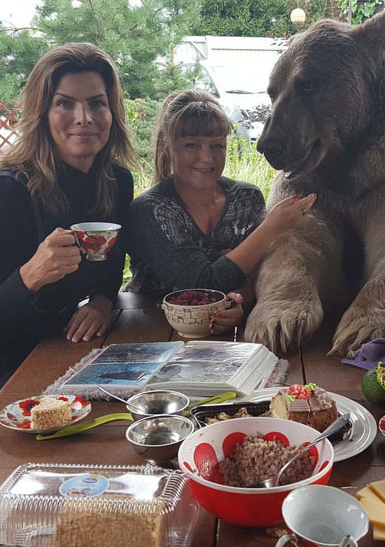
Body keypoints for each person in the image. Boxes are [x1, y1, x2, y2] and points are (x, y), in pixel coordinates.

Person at [0, 43, 137, 386]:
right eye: (65, 103)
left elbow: (112, 264)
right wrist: (29, 276)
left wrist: (103, 302)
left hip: (78, 351)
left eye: (96, 103)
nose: (84, 118)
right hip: (13, 364)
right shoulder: (10, 191)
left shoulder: (116, 182)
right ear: (42, 113)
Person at [125, 89, 315, 335]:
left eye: (217, 145)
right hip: (148, 330)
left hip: (220, 337)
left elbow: (254, 275)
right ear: (166, 146)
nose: (206, 158)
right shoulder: (151, 209)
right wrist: (270, 229)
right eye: (191, 145)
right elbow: (202, 285)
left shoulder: (246, 198)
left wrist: (238, 303)